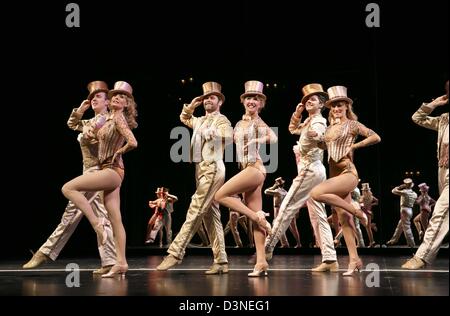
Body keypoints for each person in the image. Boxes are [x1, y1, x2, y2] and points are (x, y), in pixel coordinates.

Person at [23, 81, 116, 274]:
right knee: (101, 216)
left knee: (70, 215)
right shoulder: (89, 122)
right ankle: (109, 261)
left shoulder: (109, 121)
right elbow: (72, 124)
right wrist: (80, 110)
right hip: (87, 172)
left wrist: (96, 134)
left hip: (98, 172)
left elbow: (108, 141)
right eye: (91, 97)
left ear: (107, 102)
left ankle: (44, 252)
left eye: (97, 97)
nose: (92, 100)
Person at [62, 81, 138, 278]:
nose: (116, 98)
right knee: (115, 218)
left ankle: (97, 224)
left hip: (112, 170)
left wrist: (119, 152)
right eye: (114, 95)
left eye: (121, 97)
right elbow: (78, 126)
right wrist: (88, 129)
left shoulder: (119, 118)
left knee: (68, 188)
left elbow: (133, 142)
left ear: (127, 104)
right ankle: (121, 263)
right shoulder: (108, 119)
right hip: (109, 169)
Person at [156, 82, 232, 274]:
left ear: (219, 102)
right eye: (206, 98)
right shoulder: (198, 120)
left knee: (195, 208)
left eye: (212, 97)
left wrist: (213, 133)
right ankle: (221, 261)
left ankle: (175, 253)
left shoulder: (221, 120)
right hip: (201, 169)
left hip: (213, 167)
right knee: (210, 215)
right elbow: (184, 117)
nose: (208, 100)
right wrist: (191, 105)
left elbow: (229, 135)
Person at [265, 83, 338, 272]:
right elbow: (291, 129)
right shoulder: (307, 121)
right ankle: (330, 258)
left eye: (312, 100)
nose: (308, 103)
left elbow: (321, 135)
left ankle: (267, 247)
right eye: (306, 100)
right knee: (318, 215)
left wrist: (317, 136)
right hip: (316, 170)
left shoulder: (318, 121)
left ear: (321, 104)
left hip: (309, 170)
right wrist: (297, 114)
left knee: (288, 206)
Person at [310, 85, 381, 276]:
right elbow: (325, 147)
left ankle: (356, 209)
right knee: (345, 221)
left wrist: (355, 146)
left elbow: (376, 137)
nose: (336, 109)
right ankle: (355, 260)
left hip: (348, 174)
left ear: (346, 107)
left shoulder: (352, 124)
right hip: (335, 176)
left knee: (316, 193)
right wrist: (315, 140)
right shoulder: (330, 127)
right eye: (333, 106)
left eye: (340, 105)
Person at [215, 80, 277, 277]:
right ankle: (261, 262)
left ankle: (257, 217)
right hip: (248, 169)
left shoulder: (258, 122)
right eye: (249, 98)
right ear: (243, 101)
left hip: (255, 168)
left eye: (256, 99)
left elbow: (273, 138)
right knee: (256, 218)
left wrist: (257, 139)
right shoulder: (240, 123)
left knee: (220, 195)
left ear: (260, 104)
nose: (252, 101)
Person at [402, 80, 448, 269]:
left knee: (440, 212)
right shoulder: (444, 119)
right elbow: (417, 118)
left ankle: (422, 256)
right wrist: (433, 104)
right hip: (443, 172)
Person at [264, 177, 301, 248]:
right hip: (284, 209)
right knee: (290, 227)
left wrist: (274, 186)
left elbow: (266, 191)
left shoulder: (277, 191)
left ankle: (285, 244)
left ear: (277, 184)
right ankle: (296, 243)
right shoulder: (285, 192)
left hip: (278, 210)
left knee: (277, 225)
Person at [386, 178, 417, 248]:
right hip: (410, 210)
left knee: (406, 227)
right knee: (400, 225)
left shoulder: (405, 192)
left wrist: (400, 187)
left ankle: (412, 244)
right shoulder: (415, 194)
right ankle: (393, 240)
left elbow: (393, 191)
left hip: (404, 209)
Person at [360, 182, 379, 247]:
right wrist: (371, 204)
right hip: (369, 212)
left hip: (365, 213)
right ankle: (372, 226)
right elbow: (377, 202)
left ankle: (372, 241)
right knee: (367, 227)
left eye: (364, 191)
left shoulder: (363, 197)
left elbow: (361, 205)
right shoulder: (371, 197)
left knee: (367, 228)